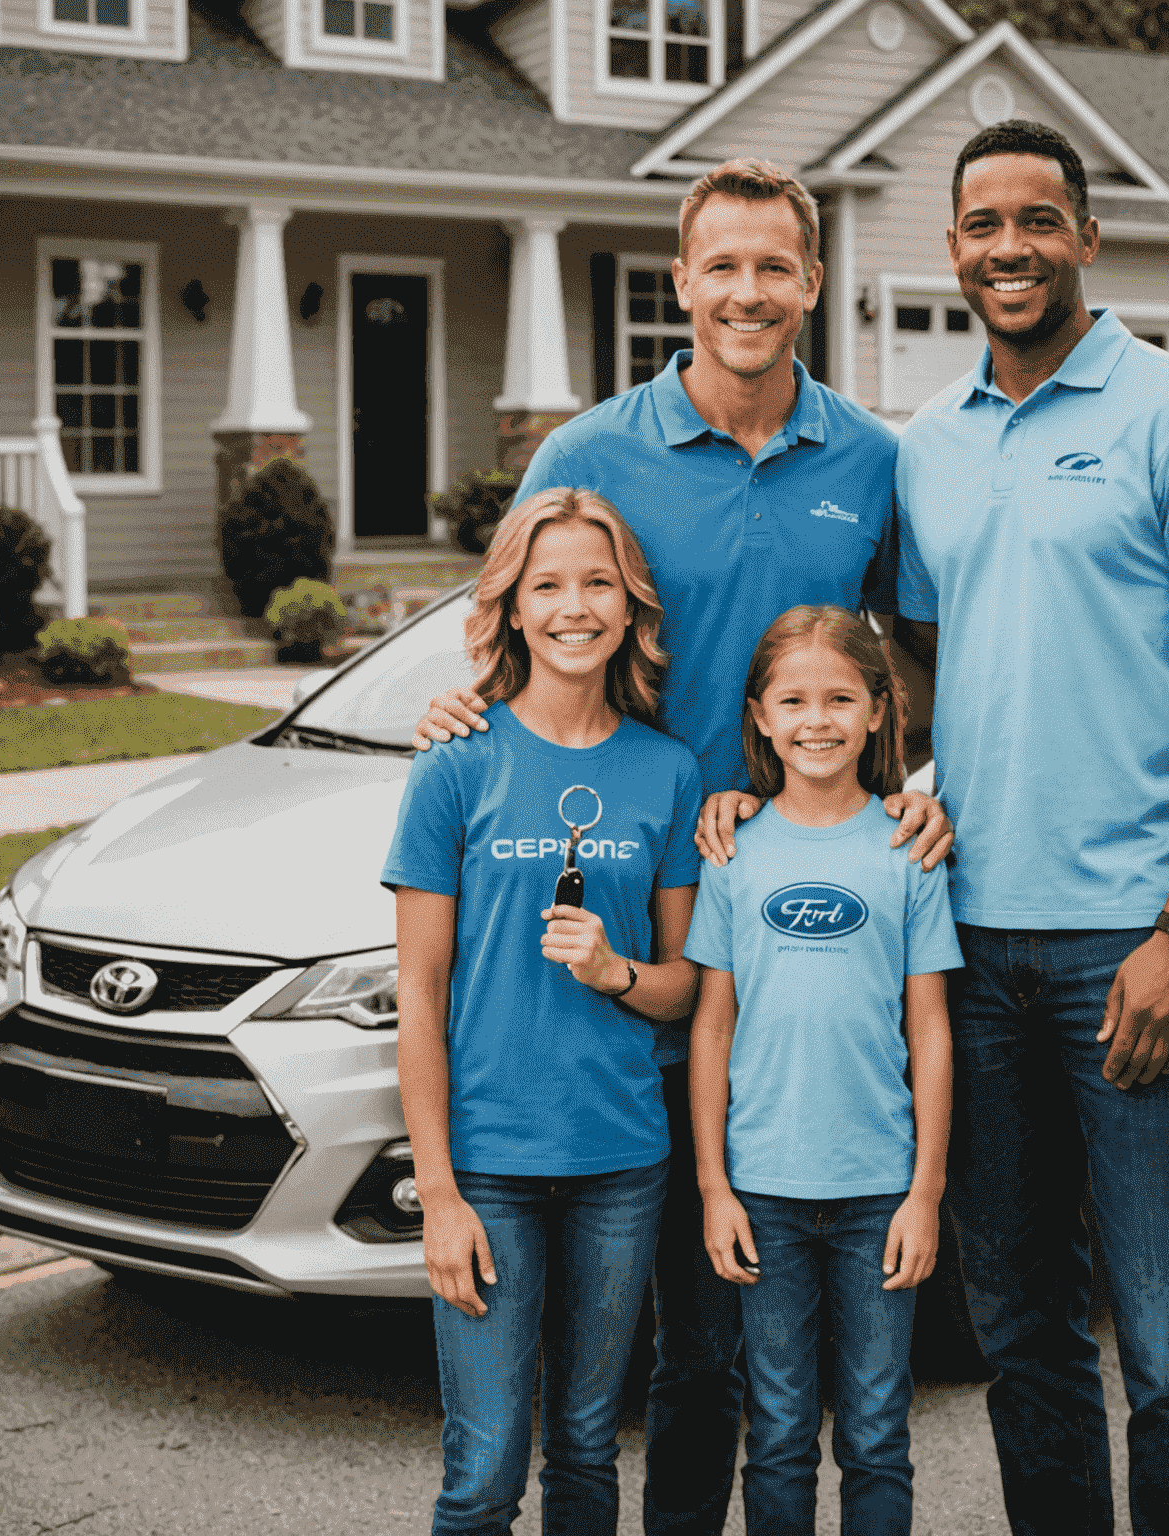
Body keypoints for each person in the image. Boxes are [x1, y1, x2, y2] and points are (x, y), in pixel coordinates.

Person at [411, 158, 952, 1535]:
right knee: (617, 1379)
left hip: (782, 968)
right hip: (618, 961)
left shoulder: (874, 464)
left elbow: (923, 666)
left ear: (813, 284)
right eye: (723, 266)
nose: (748, 292)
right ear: (682, 281)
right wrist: (457, 710)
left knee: (722, 1350)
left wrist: (923, 785)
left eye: (775, 267)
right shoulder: (591, 451)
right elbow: (524, 609)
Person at [894, 120, 1169, 1536]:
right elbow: (925, 674)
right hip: (973, 951)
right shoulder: (930, 446)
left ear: (1087, 237)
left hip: (1127, 950)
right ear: (952, 247)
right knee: (1020, 1333)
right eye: (984, 224)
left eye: (1039, 220)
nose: (1011, 247)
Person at [385, 488, 705, 1536]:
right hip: (488, 1168)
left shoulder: (666, 769)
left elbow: (685, 983)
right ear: (513, 607)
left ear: (630, 609)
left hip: (621, 1161)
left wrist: (616, 971)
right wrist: (436, 1192)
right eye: (550, 585)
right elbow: (419, 1000)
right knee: (483, 1474)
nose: (576, 606)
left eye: (599, 584)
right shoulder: (455, 764)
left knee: (584, 1454)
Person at [686, 605, 959, 1536]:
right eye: (793, 700)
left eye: (841, 697)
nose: (818, 719)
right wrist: (714, 1188)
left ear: (880, 710)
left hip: (879, 1193)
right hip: (763, 1192)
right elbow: (712, 1028)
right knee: (779, 1431)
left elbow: (930, 1031)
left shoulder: (908, 848)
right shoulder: (733, 850)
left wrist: (925, 1193)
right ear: (759, 716)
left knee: (878, 1431)